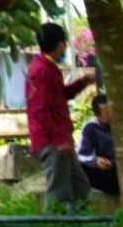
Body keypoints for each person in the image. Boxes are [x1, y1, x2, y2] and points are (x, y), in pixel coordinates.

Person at [26, 22, 96, 212]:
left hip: (60, 139)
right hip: (52, 140)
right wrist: (58, 140)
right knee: (59, 192)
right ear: (60, 44)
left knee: (80, 187)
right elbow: (40, 110)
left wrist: (82, 82)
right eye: (65, 43)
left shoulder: (48, 67)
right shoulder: (41, 70)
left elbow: (59, 96)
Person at [75, 92, 122, 197]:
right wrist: (95, 161)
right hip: (107, 169)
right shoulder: (91, 127)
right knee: (79, 167)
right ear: (97, 115)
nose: (112, 115)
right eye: (107, 113)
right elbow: (81, 155)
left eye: (113, 111)